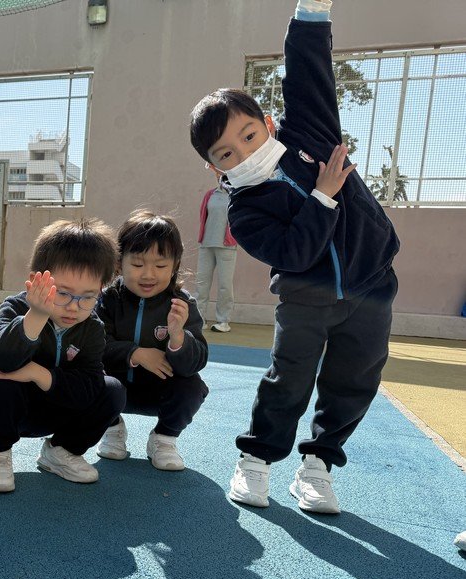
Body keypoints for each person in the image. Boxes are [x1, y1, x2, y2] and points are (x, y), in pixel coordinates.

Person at [188, 0, 399, 514]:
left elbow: (308, 74)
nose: (243, 152)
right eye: (226, 153)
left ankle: (318, 465)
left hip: (371, 286)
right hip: (306, 298)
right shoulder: (244, 212)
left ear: (268, 123)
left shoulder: (309, 134)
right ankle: (256, 459)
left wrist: (311, 13)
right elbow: (296, 253)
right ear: (215, 168)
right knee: (289, 379)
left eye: (249, 135)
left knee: (356, 380)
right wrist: (324, 197)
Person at [0, 219, 125, 493]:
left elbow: (88, 387)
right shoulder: (17, 307)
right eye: (63, 293)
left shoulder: (92, 328)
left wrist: (36, 373)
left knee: (112, 391)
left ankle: (61, 451)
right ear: (37, 281)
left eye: (88, 297)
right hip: (15, 409)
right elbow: (1, 359)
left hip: (60, 408)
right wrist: (37, 315)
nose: (74, 307)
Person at [96, 212, 208, 470]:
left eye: (160, 266)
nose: (148, 274)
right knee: (86, 376)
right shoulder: (108, 299)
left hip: (160, 392)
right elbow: (95, 344)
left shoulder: (182, 304)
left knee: (192, 387)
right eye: (137, 264)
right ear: (119, 263)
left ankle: (164, 438)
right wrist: (135, 353)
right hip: (115, 390)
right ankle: (112, 429)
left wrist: (178, 338)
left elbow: (197, 360)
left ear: (174, 265)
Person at [195, 170, 238, 333]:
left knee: (225, 285)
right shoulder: (210, 195)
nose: (221, 177)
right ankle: (199, 319)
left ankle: (223, 321)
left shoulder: (236, 196)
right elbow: (203, 217)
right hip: (206, 244)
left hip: (227, 246)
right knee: (201, 284)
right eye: (219, 175)